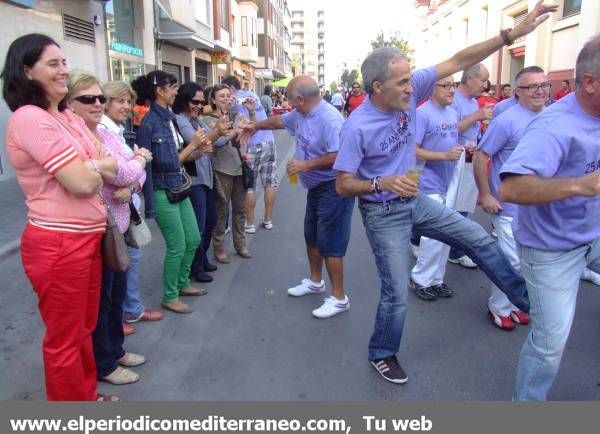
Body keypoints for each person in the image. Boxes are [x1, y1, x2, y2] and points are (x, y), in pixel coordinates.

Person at [333, 0, 556, 384]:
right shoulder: (356, 126)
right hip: (382, 213)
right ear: (377, 87)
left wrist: (511, 34)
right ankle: (382, 352)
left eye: (410, 79)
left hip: (416, 201)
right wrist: (380, 182)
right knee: (396, 291)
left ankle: (528, 302)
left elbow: (458, 58)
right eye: (403, 82)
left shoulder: (410, 86)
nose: (412, 86)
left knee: (475, 238)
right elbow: (342, 184)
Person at [2, 34, 118, 400]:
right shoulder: (30, 119)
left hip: (86, 239)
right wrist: (91, 166)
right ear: (26, 71)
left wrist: (91, 165)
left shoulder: (65, 115)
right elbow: (84, 183)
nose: (64, 70)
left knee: (83, 328)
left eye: (64, 62)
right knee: (66, 339)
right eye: (53, 63)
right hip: (58, 244)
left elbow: (112, 164)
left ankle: (86, 397)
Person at [500, 35, 600, 400]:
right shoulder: (552, 127)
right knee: (549, 344)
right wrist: (582, 186)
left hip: (592, 235)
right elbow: (511, 189)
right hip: (551, 251)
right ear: (589, 82)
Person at [240, 76, 355, 319]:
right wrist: (254, 126)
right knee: (311, 235)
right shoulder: (302, 114)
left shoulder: (329, 119)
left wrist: (306, 165)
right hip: (316, 188)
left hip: (333, 187)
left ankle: (339, 297)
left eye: (292, 101)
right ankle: (315, 282)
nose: (290, 106)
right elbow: (279, 121)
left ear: (301, 99)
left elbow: (339, 155)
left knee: (331, 243)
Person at [67, 70, 151, 385]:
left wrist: (135, 170)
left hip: (116, 227)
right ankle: (104, 364)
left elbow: (131, 175)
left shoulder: (104, 135)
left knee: (115, 297)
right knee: (101, 303)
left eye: (100, 97)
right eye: (88, 98)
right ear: (70, 103)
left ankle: (114, 351)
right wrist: (139, 162)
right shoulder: (80, 135)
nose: (97, 103)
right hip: (98, 231)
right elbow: (123, 172)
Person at [473, 66, 549, 330]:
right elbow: (482, 156)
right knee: (510, 260)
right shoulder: (506, 121)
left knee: (529, 261)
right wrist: (485, 194)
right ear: (518, 91)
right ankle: (499, 306)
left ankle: (517, 303)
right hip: (509, 207)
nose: (540, 91)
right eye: (532, 86)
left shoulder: (552, 117)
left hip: (539, 207)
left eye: (544, 85)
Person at [133, 71, 211, 314]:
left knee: (193, 239)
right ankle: (170, 295)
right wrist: (194, 146)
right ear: (160, 90)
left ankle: (182, 283)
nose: (176, 91)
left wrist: (197, 150)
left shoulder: (169, 119)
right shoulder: (149, 123)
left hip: (179, 186)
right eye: (172, 87)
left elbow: (179, 157)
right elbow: (169, 162)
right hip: (162, 189)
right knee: (177, 244)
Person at [99, 81, 164, 335]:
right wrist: (140, 159)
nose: (126, 106)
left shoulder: (117, 130)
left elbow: (137, 176)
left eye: (128, 101)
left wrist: (135, 181)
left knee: (129, 264)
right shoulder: (103, 132)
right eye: (119, 101)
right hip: (112, 214)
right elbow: (123, 173)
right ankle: (123, 316)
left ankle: (130, 310)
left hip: (126, 211)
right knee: (117, 270)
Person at [409, 77, 463, 301]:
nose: (452, 90)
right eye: (446, 86)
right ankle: (420, 279)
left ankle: (436, 279)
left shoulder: (452, 113)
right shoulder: (422, 114)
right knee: (432, 237)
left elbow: (450, 143)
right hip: (427, 183)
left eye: (454, 85)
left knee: (446, 235)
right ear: (432, 89)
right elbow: (413, 150)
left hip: (448, 181)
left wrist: (462, 147)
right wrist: (444, 155)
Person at [173, 82, 229, 283]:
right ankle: (194, 267)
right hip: (193, 180)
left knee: (210, 221)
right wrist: (218, 131)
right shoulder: (180, 120)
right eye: (194, 101)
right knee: (199, 226)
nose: (198, 105)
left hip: (206, 178)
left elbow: (219, 141)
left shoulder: (196, 120)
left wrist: (228, 130)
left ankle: (201, 259)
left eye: (201, 102)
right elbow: (201, 141)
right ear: (184, 100)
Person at [446, 63, 493, 269]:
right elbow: (449, 129)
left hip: (469, 158)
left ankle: (455, 251)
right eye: (483, 80)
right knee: (447, 207)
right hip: (452, 160)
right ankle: (419, 239)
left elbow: (471, 129)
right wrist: (477, 116)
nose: (485, 85)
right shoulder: (452, 98)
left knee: (463, 206)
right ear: (469, 78)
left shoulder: (473, 102)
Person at [222, 76, 278, 233]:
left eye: (226, 89)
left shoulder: (234, 99)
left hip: (251, 145)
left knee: (250, 186)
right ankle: (268, 220)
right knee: (270, 183)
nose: (226, 94)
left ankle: (250, 224)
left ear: (230, 87)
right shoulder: (252, 95)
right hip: (268, 141)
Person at [204, 84, 252, 262]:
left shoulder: (237, 115)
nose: (226, 99)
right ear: (214, 100)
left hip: (240, 167)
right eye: (221, 96)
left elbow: (248, 134)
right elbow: (219, 141)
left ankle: (240, 244)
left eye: (228, 95)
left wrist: (246, 122)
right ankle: (219, 248)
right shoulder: (208, 119)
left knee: (240, 210)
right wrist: (235, 131)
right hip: (221, 169)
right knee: (221, 211)